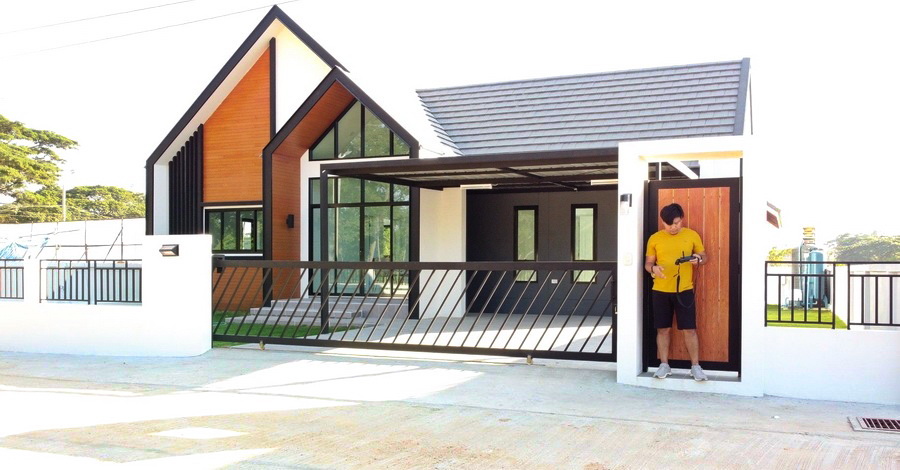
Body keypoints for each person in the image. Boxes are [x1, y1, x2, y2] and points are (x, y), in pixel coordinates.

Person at [644, 203, 708, 381]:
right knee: (663, 329)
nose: (673, 227)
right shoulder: (655, 238)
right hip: (660, 290)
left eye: (677, 223)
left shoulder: (692, 235)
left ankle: (695, 367)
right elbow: (648, 263)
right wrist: (653, 269)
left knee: (690, 330)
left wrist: (698, 259)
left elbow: (704, 256)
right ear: (662, 222)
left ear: (682, 219)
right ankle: (664, 365)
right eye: (669, 224)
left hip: (684, 289)